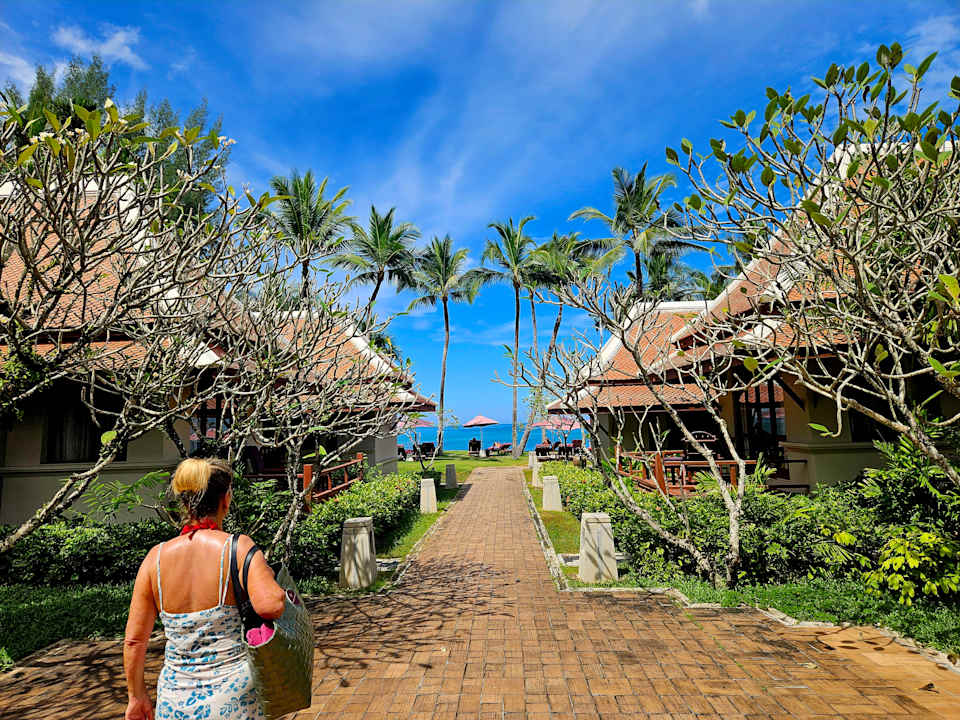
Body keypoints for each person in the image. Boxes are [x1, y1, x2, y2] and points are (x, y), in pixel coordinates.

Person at [123, 458, 286, 720]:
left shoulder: (155, 559)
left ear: (184, 502)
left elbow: (134, 641)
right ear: (226, 500)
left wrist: (136, 696)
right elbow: (271, 605)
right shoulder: (238, 548)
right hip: (234, 699)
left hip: (175, 701)